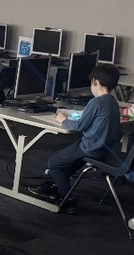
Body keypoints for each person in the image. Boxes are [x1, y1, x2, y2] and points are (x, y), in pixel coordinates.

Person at [29, 63, 122, 212]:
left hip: (90, 148)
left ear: (94, 81)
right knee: (68, 162)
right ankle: (55, 185)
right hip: (105, 149)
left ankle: (68, 198)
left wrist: (63, 119)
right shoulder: (113, 102)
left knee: (54, 163)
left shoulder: (96, 102)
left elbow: (80, 126)